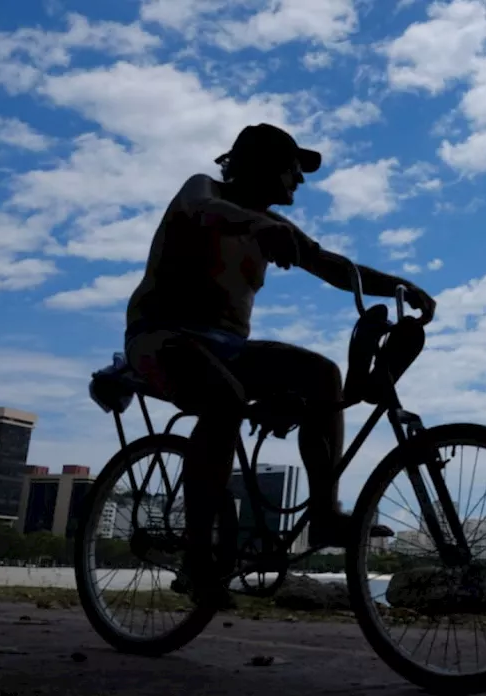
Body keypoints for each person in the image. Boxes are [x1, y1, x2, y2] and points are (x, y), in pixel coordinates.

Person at [122, 123, 435, 602]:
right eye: (292, 169)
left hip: (226, 347)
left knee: (323, 374)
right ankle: (197, 556)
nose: (299, 182)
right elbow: (202, 210)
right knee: (223, 401)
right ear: (260, 164)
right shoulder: (204, 190)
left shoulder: (276, 226)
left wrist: (402, 285)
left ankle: (326, 514)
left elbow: (332, 266)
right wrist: (259, 225)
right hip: (162, 337)